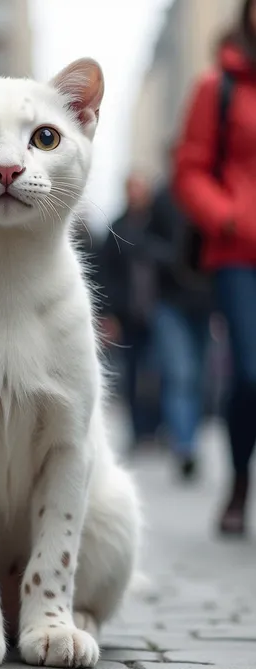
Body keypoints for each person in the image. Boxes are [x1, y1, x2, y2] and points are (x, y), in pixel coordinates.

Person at [174, 0, 256, 535]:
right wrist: (226, 218)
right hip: (237, 254)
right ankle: (239, 481)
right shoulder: (217, 85)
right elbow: (189, 169)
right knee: (249, 373)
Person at [147, 180, 213, 480]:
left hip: (205, 302)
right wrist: (172, 258)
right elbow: (146, 241)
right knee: (180, 374)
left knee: (197, 377)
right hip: (170, 303)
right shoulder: (164, 196)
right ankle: (184, 446)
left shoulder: (213, 194)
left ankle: (189, 440)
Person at [100, 174, 160, 450]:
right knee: (133, 373)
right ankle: (139, 432)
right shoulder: (116, 228)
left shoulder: (158, 223)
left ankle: (158, 428)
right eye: (131, 190)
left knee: (163, 370)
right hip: (128, 314)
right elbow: (105, 276)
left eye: (140, 190)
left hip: (160, 310)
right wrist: (108, 314)